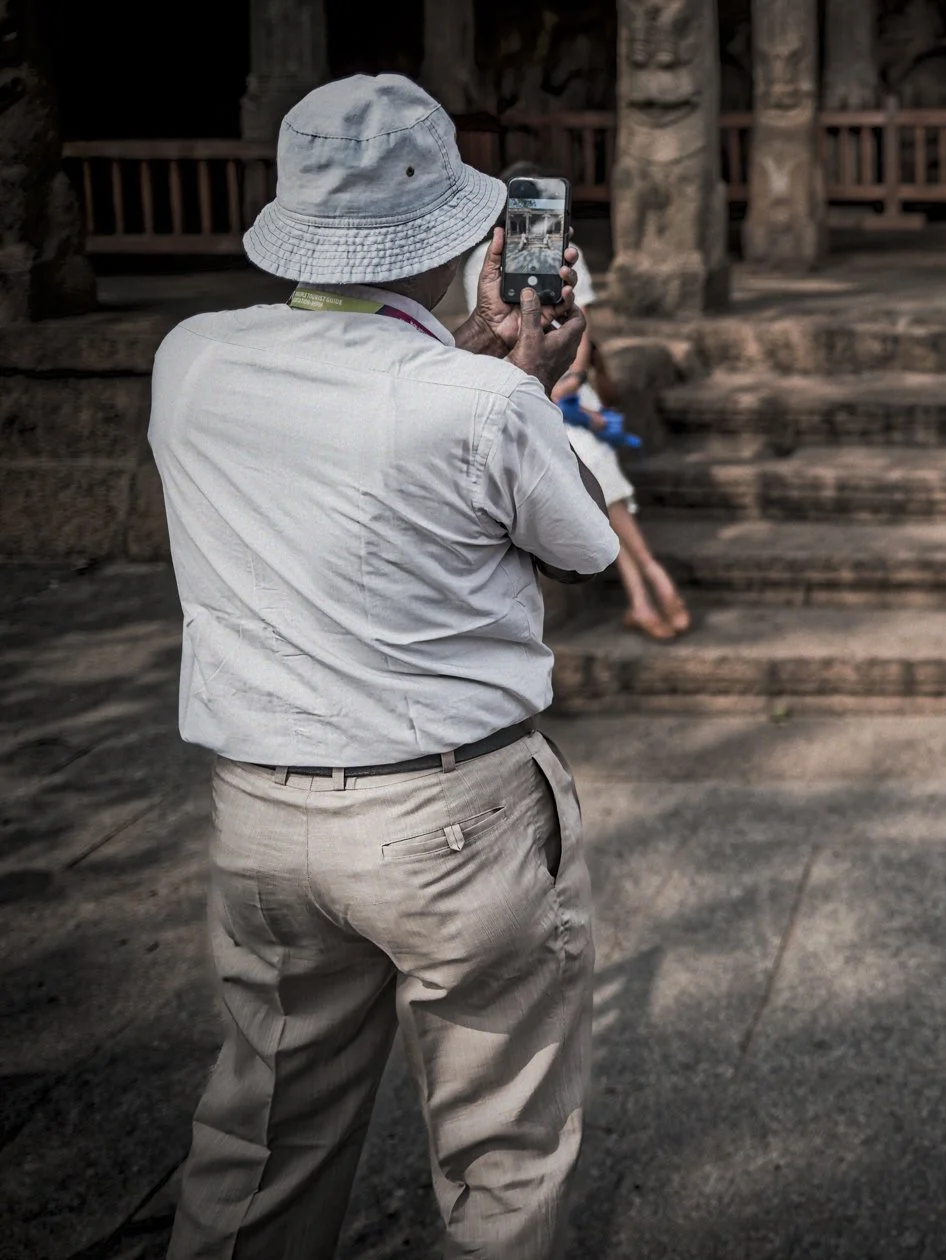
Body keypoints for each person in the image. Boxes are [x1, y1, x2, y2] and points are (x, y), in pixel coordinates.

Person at [149, 76, 621, 1258]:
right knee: (502, 1152)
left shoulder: (190, 358)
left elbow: (358, 392)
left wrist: (490, 362)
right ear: (456, 239)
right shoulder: (481, 400)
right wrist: (528, 374)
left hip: (261, 812)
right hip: (452, 820)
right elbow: (584, 546)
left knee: (261, 1137)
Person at [459, 173, 692, 641]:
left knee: (607, 493)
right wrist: (543, 385)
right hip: (525, 391)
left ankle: (645, 595)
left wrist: (568, 382)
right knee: (603, 493)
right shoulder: (484, 264)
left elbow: (576, 328)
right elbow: (500, 327)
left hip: (561, 390)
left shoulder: (548, 256)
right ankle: (653, 584)